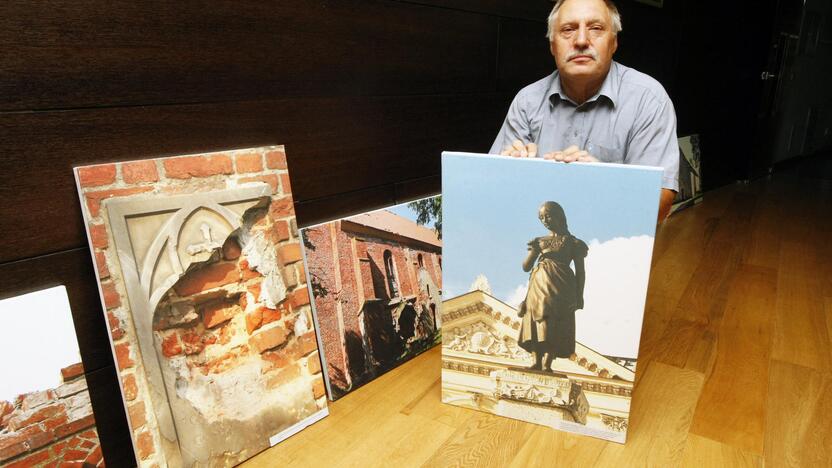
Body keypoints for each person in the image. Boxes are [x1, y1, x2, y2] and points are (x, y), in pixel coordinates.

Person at [490, 0, 679, 221]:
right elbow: (493, 194)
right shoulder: (527, 101)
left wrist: (600, 181)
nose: (581, 41)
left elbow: (660, 205)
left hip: (613, 242)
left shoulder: (648, 100)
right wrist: (505, 173)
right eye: (568, 30)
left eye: (596, 28)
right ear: (552, 45)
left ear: (613, 42)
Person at [517, 201, 587, 372]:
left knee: (554, 321)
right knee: (535, 320)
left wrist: (579, 295)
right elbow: (526, 267)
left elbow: (581, 272)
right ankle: (536, 361)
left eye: (548, 215)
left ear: (559, 215)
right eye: (541, 218)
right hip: (538, 284)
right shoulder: (540, 241)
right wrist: (533, 250)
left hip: (561, 285)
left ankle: (547, 364)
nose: (545, 220)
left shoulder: (574, 243)